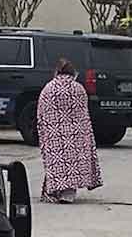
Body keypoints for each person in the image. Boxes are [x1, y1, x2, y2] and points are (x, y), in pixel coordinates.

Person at [36, 58, 102, 203]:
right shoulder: (79, 88)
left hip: (54, 133)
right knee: (72, 163)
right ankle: (68, 194)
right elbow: (84, 113)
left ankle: (54, 190)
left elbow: (41, 112)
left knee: (56, 163)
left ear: (57, 71)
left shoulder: (49, 88)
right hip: (76, 133)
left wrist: (44, 131)